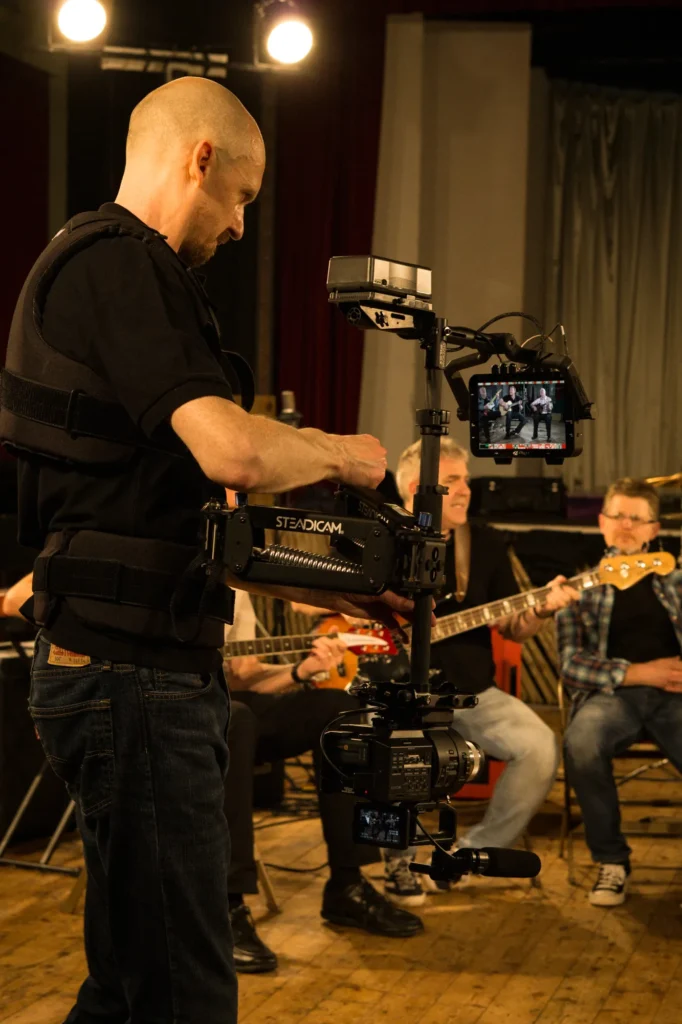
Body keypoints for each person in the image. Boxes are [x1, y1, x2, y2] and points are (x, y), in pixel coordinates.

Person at [0, 78, 415, 1024]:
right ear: (201, 159)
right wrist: (342, 457)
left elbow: (169, 518)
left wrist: (343, 591)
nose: (238, 226)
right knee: (185, 992)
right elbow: (232, 452)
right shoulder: (119, 265)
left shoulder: (111, 272)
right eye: (244, 196)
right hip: (130, 676)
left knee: (129, 987)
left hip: (120, 665)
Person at [382, 438, 578, 905]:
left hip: (471, 695)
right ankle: (398, 859)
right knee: (388, 750)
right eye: (453, 481)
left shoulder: (484, 541)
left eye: (466, 479)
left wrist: (543, 609)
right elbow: (345, 614)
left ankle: (465, 856)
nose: (467, 490)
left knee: (539, 746)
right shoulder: (384, 539)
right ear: (417, 488)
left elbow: (514, 626)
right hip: (397, 693)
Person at [224, 591, 423, 974]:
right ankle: (226, 904)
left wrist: (301, 671)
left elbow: (241, 681)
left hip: (228, 707)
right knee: (237, 723)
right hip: (172, 712)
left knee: (339, 709)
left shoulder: (234, 589)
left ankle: (346, 885)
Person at [557, 478, 682, 907]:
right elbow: (571, 664)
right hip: (613, 697)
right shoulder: (578, 588)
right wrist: (638, 673)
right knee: (582, 744)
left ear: (653, 529)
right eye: (617, 515)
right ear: (601, 522)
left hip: (677, 696)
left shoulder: (678, 582)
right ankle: (611, 861)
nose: (626, 525)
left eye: (636, 518)